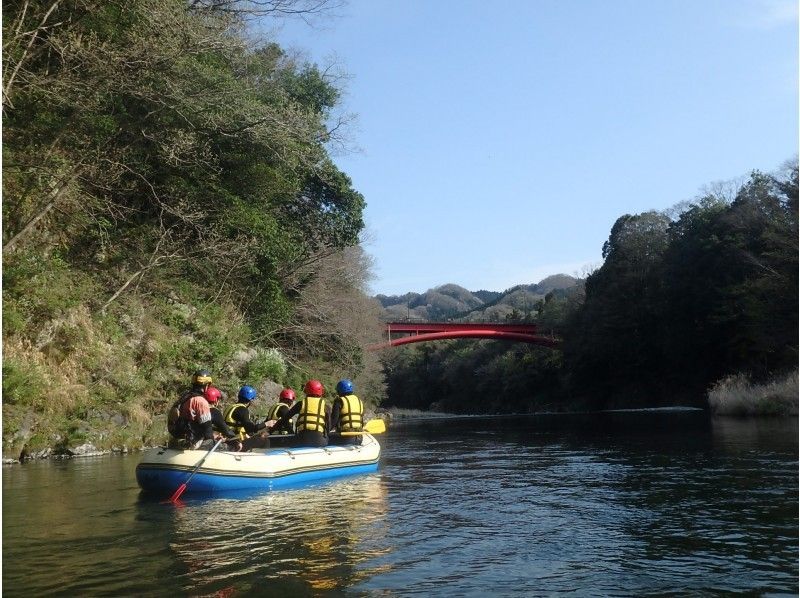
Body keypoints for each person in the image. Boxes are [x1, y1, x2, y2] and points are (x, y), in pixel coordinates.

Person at [271, 380, 330, 448]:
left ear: (306, 391)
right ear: (321, 392)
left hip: (301, 440)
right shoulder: (326, 406)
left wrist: (270, 431)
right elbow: (328, 426)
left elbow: (284, 419)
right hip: (319, 441)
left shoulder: (301, 404)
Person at [167, 369, 216, 449]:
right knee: (230, 446)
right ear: (207, 385)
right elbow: (208, 431)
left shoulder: (183, 398)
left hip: (176, 441)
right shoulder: (200, 401)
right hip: (192, 443)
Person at [223, 385, 272, 451]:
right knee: (266, 441)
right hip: (234, 442)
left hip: (226, 439)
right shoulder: (243, 410)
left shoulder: (230, 407)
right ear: (250, 400)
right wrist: (266, 424)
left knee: (256, 437)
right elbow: (250, 429)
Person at [204, 386, 242, 451]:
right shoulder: (214, 411)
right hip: (205, 444)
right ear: (216, 400)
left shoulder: (199, 409)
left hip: (196, 439)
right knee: (236, 445)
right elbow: (227, 431)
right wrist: (236, 438)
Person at [330, 379, 364, 446]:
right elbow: (361, 421)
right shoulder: (359, 401)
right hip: (359, 437)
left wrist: (326, 431)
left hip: (345, 438)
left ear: (339, 390)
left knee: (326, 439)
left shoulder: (339, 401)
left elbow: (334, 420)